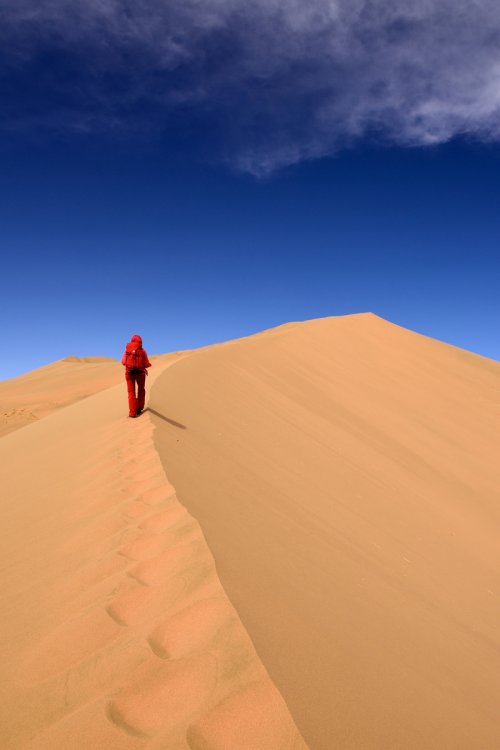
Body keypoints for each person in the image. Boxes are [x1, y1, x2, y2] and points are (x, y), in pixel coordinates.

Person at [121, 334, 152, 418]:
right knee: (141, 390)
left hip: (129, 373)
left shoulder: (127, 350)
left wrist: (131, 366)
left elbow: (123, 362)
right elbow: (146, 363)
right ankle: (139, 408)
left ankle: (132, 413)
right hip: (140, 373)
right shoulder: (142, 351)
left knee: (131, 392)